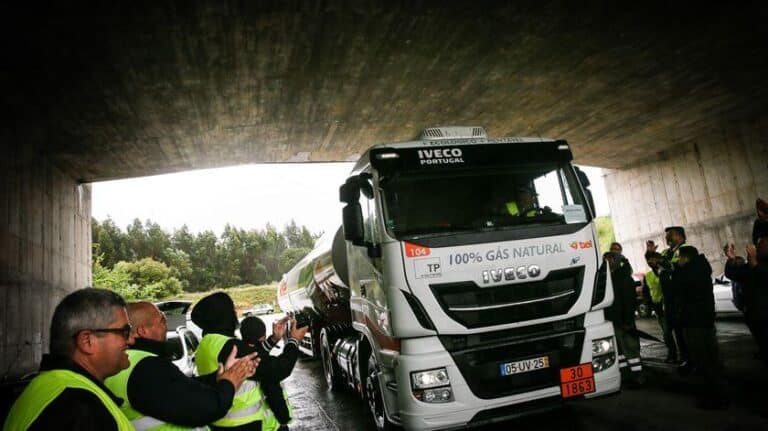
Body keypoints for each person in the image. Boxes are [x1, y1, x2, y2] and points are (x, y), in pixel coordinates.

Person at [104, 302, 260, 430]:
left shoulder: (129, 362)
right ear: (143, 330)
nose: (166, 326)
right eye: (162, 321)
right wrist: (230, 382)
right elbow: (205, 409)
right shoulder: (146, 367)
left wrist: (220, 376)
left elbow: (181, 388)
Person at [3, 288, 135, 430]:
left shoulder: (49, 386)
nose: (132, 340)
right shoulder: (81, 407)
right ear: (87, 341)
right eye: (125, 332)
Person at [191, 292, 308, 431]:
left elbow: (255, 359)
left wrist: (273, 339)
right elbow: (277, 369)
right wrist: (294, 341)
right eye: (232, 309)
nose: (234, 313)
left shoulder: (207, 344)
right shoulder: (230, 346)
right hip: (243, 424)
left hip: (220, 423)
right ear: (222, 315)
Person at [674, 246, 729, 409]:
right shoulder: (701, 269)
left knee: (704, 361)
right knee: (712, 359)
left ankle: (715, 397)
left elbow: (679, 288)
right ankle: (720, 394)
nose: (678, 261)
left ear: (686, 258)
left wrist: (676, 271)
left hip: (694, 322)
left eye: (679, 258)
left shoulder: (690, 273)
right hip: (704, 321)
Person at [647, 226, 696, 366]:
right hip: (668, 299)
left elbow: (675, 268)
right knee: (674, 330)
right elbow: (660, 269)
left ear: (680, 236)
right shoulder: (667, 252)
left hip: (680, 298)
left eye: (671, 235)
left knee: (684, 331)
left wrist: (660, 262)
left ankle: (690, 359)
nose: (667, 238)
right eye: (667, 235)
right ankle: (683, 357)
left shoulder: (686, 249)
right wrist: (650, 256)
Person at [240, 316, 295, 431]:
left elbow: (258, 351)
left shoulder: (242, 354)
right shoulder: (263, 366)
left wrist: (274, 339)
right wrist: (294, 340)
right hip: (271, 425)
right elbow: (274, 395)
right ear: (263, 336)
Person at [602, 251, 644, 387]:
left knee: (630, 349)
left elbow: (629, 301)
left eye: (609, 259)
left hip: (624, 321)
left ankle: (638, 376)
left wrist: (627, 321)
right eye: (605, 259)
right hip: (614, 321)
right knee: (620, 351)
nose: (606, 262)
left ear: (615, 261)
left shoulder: (623, 278)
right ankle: (626, 376)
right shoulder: (610, 277)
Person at [725, 240, 768, 363]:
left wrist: (755, 264)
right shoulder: (749, 267)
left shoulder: (758, 265)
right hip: (755, 314)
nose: (757, 249)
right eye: (757, 247)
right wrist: (731, 259)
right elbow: (732, 274)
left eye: (761, 247)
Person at [644, 251, 678, 363]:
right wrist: (651, 306)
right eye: (648, 259)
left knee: (679, 332)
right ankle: (672, 354)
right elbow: (647, 292)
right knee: (667, 333)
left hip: (671, 306)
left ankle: (684, 354)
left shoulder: (666, 269)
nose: (650, 261)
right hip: (659, 309)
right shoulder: (648, 275)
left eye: (652, 258)